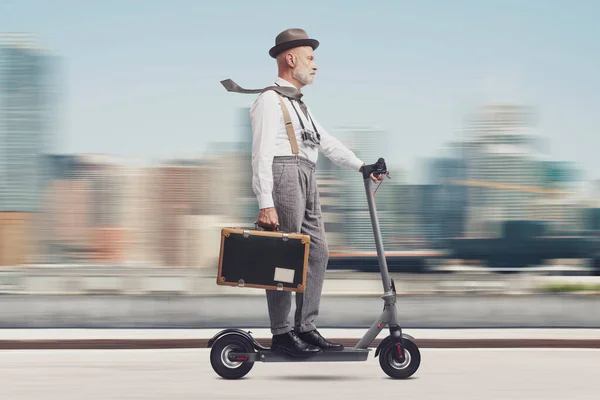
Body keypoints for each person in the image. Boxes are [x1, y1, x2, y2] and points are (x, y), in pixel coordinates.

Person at [249, 28, 383, 357]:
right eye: (310, 58)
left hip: (307, 177)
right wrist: (265, 203)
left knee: (318, 253)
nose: (315, 65)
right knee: (283, 258)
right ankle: (282, 333)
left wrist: (362, 166)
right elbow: (261, 155)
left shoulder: (301, 107)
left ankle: (305, 327)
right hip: (284, 174)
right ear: (290, 58)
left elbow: (327, 143)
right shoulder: (270, 100)